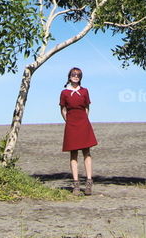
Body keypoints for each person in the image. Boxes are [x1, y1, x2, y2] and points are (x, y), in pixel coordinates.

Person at [59, 66, 97, 195]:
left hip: (83, 124)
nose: (76, 76)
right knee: (73, 154)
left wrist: (83, 121)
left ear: (80, 77)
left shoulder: (85, 91)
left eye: (78, 75)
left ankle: (88, 182)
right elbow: (63, 110)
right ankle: (76, 185)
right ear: (69, 76)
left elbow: (87, 108)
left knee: (87, 152)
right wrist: (69, 121)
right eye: (73, 74)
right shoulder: (64, 93)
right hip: (71, 124)